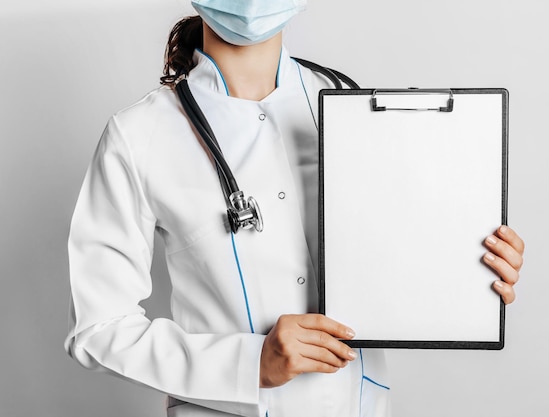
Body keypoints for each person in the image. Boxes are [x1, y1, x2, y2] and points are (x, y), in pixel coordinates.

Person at [64, 1, 525, 416]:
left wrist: (472, 268)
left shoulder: (353, 106)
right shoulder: (139, 135)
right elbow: (98, 330)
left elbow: (393, 259)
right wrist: (249, 365)